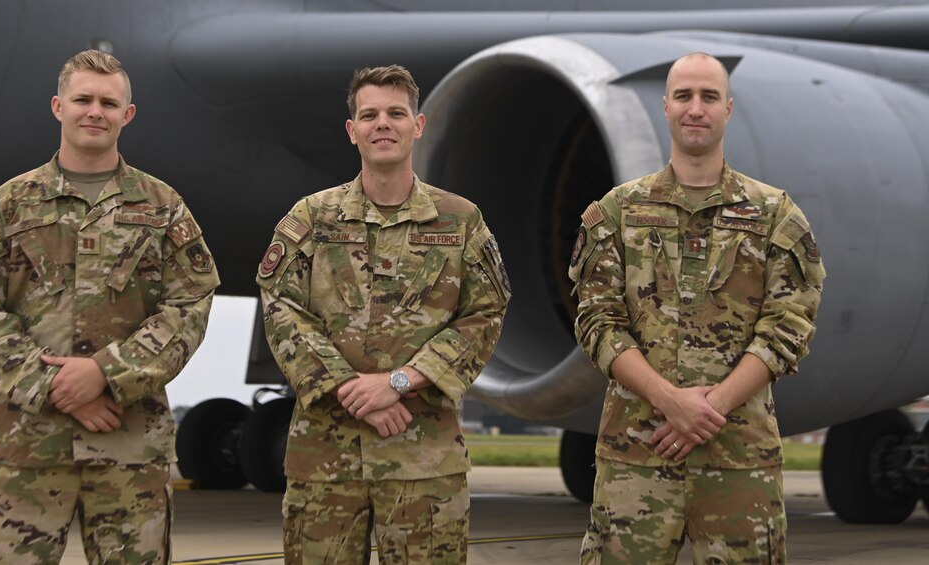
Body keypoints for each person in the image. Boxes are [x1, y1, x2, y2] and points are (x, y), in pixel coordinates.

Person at [0, 50, 219, 564]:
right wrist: (53, 386)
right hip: (28, 447)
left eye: (108, 102)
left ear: (127, 114)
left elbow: (191, 302)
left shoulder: (163, 208)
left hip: (128, 445)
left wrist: (106, 373)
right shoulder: (6, 206)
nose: (94, 111)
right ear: (58, 107)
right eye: (82, 100)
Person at [569, 52, 825, 563]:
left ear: (728, 109)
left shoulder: (775, 214)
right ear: (665, 107)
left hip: (739, 462)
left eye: (709, 97)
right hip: (637, 460)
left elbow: (788, 327)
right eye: (684, 96)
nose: (695, 108)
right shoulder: (616, 212)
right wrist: (670, 399)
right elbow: (597, 321)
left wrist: (711, 407)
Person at [255, 65, 510, 563]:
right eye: (369, 115)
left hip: (423, 462)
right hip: (326, 461)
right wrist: (353, 391)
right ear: (352, 131)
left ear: (418, 125)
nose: (383, 124)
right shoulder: (311, 217)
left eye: (396, 113)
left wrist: (398, 382)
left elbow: (486, 313)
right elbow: (280, 307)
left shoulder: (460, 220)